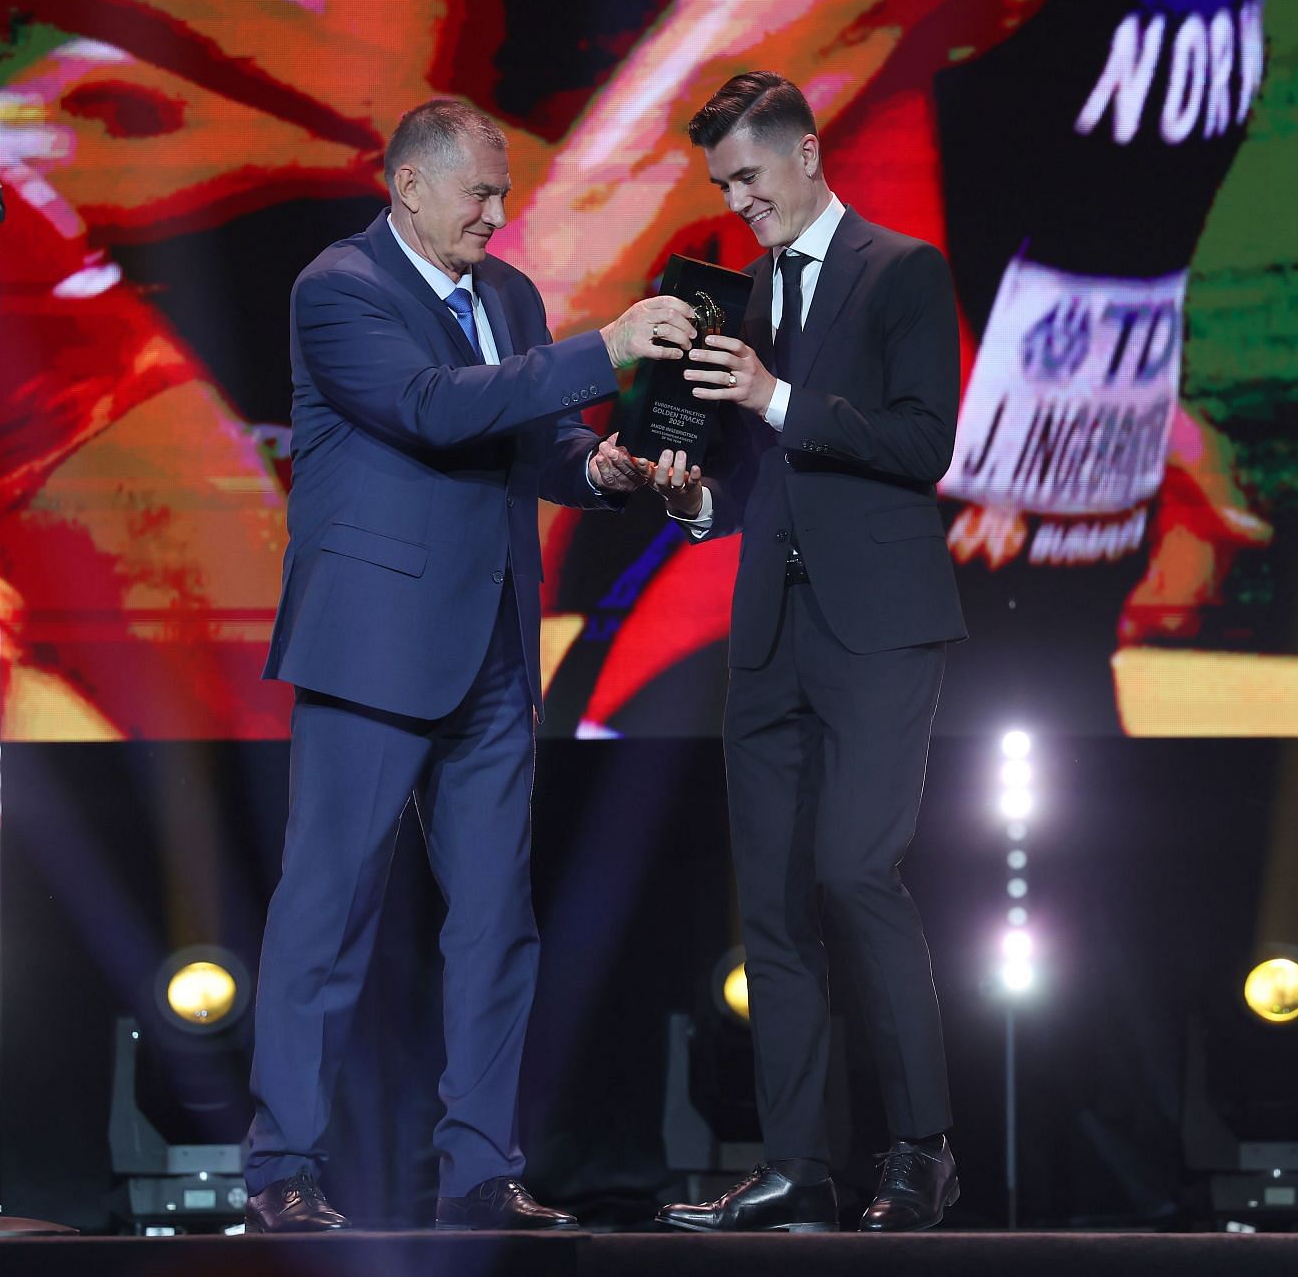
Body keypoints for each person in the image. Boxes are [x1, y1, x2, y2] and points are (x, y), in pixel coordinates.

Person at [242, 98, 694, 1233]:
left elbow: (529, 441)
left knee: (496, 919)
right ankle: (282, 1167)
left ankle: (481, 1169)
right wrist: (607, 348)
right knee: (327, 914)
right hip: (372, 650)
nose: (498, 215)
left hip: (494, 646)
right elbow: (432, 411)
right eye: (479, 195)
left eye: (501, 194)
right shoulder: (338, 288)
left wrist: (605, 470)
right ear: (407, 186)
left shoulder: (507, 295)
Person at [653, 72, 966, 1233]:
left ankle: (920, 1146)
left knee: (852, 871)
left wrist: (779, 396)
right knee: (775, 903)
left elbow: (923, 442)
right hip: (770, 633)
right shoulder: (739, 300)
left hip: (879, 626)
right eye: (724, 184)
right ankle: (795, 1163)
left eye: (750, 175)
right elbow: (747, 482)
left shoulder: (902, 271)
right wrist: (690, 497)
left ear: (808, 154)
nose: (740, 200)